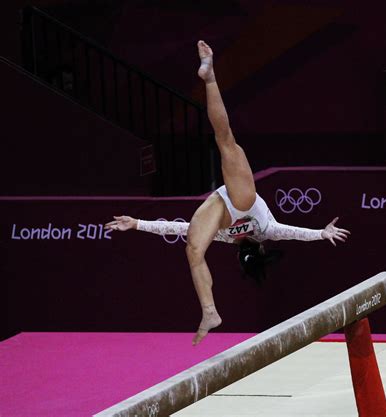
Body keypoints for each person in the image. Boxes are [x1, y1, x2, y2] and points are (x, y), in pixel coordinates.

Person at [105, 40, 350, 346]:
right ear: (254, 251)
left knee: (195, 246)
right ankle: (209, 77)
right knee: (223, 143)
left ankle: (210, 310)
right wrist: (320, 234)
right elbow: (294, 233)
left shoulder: (250, 234)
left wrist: (138, 224)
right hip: (236, 201)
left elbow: (179, 228)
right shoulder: (258, 232)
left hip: (230, 203)